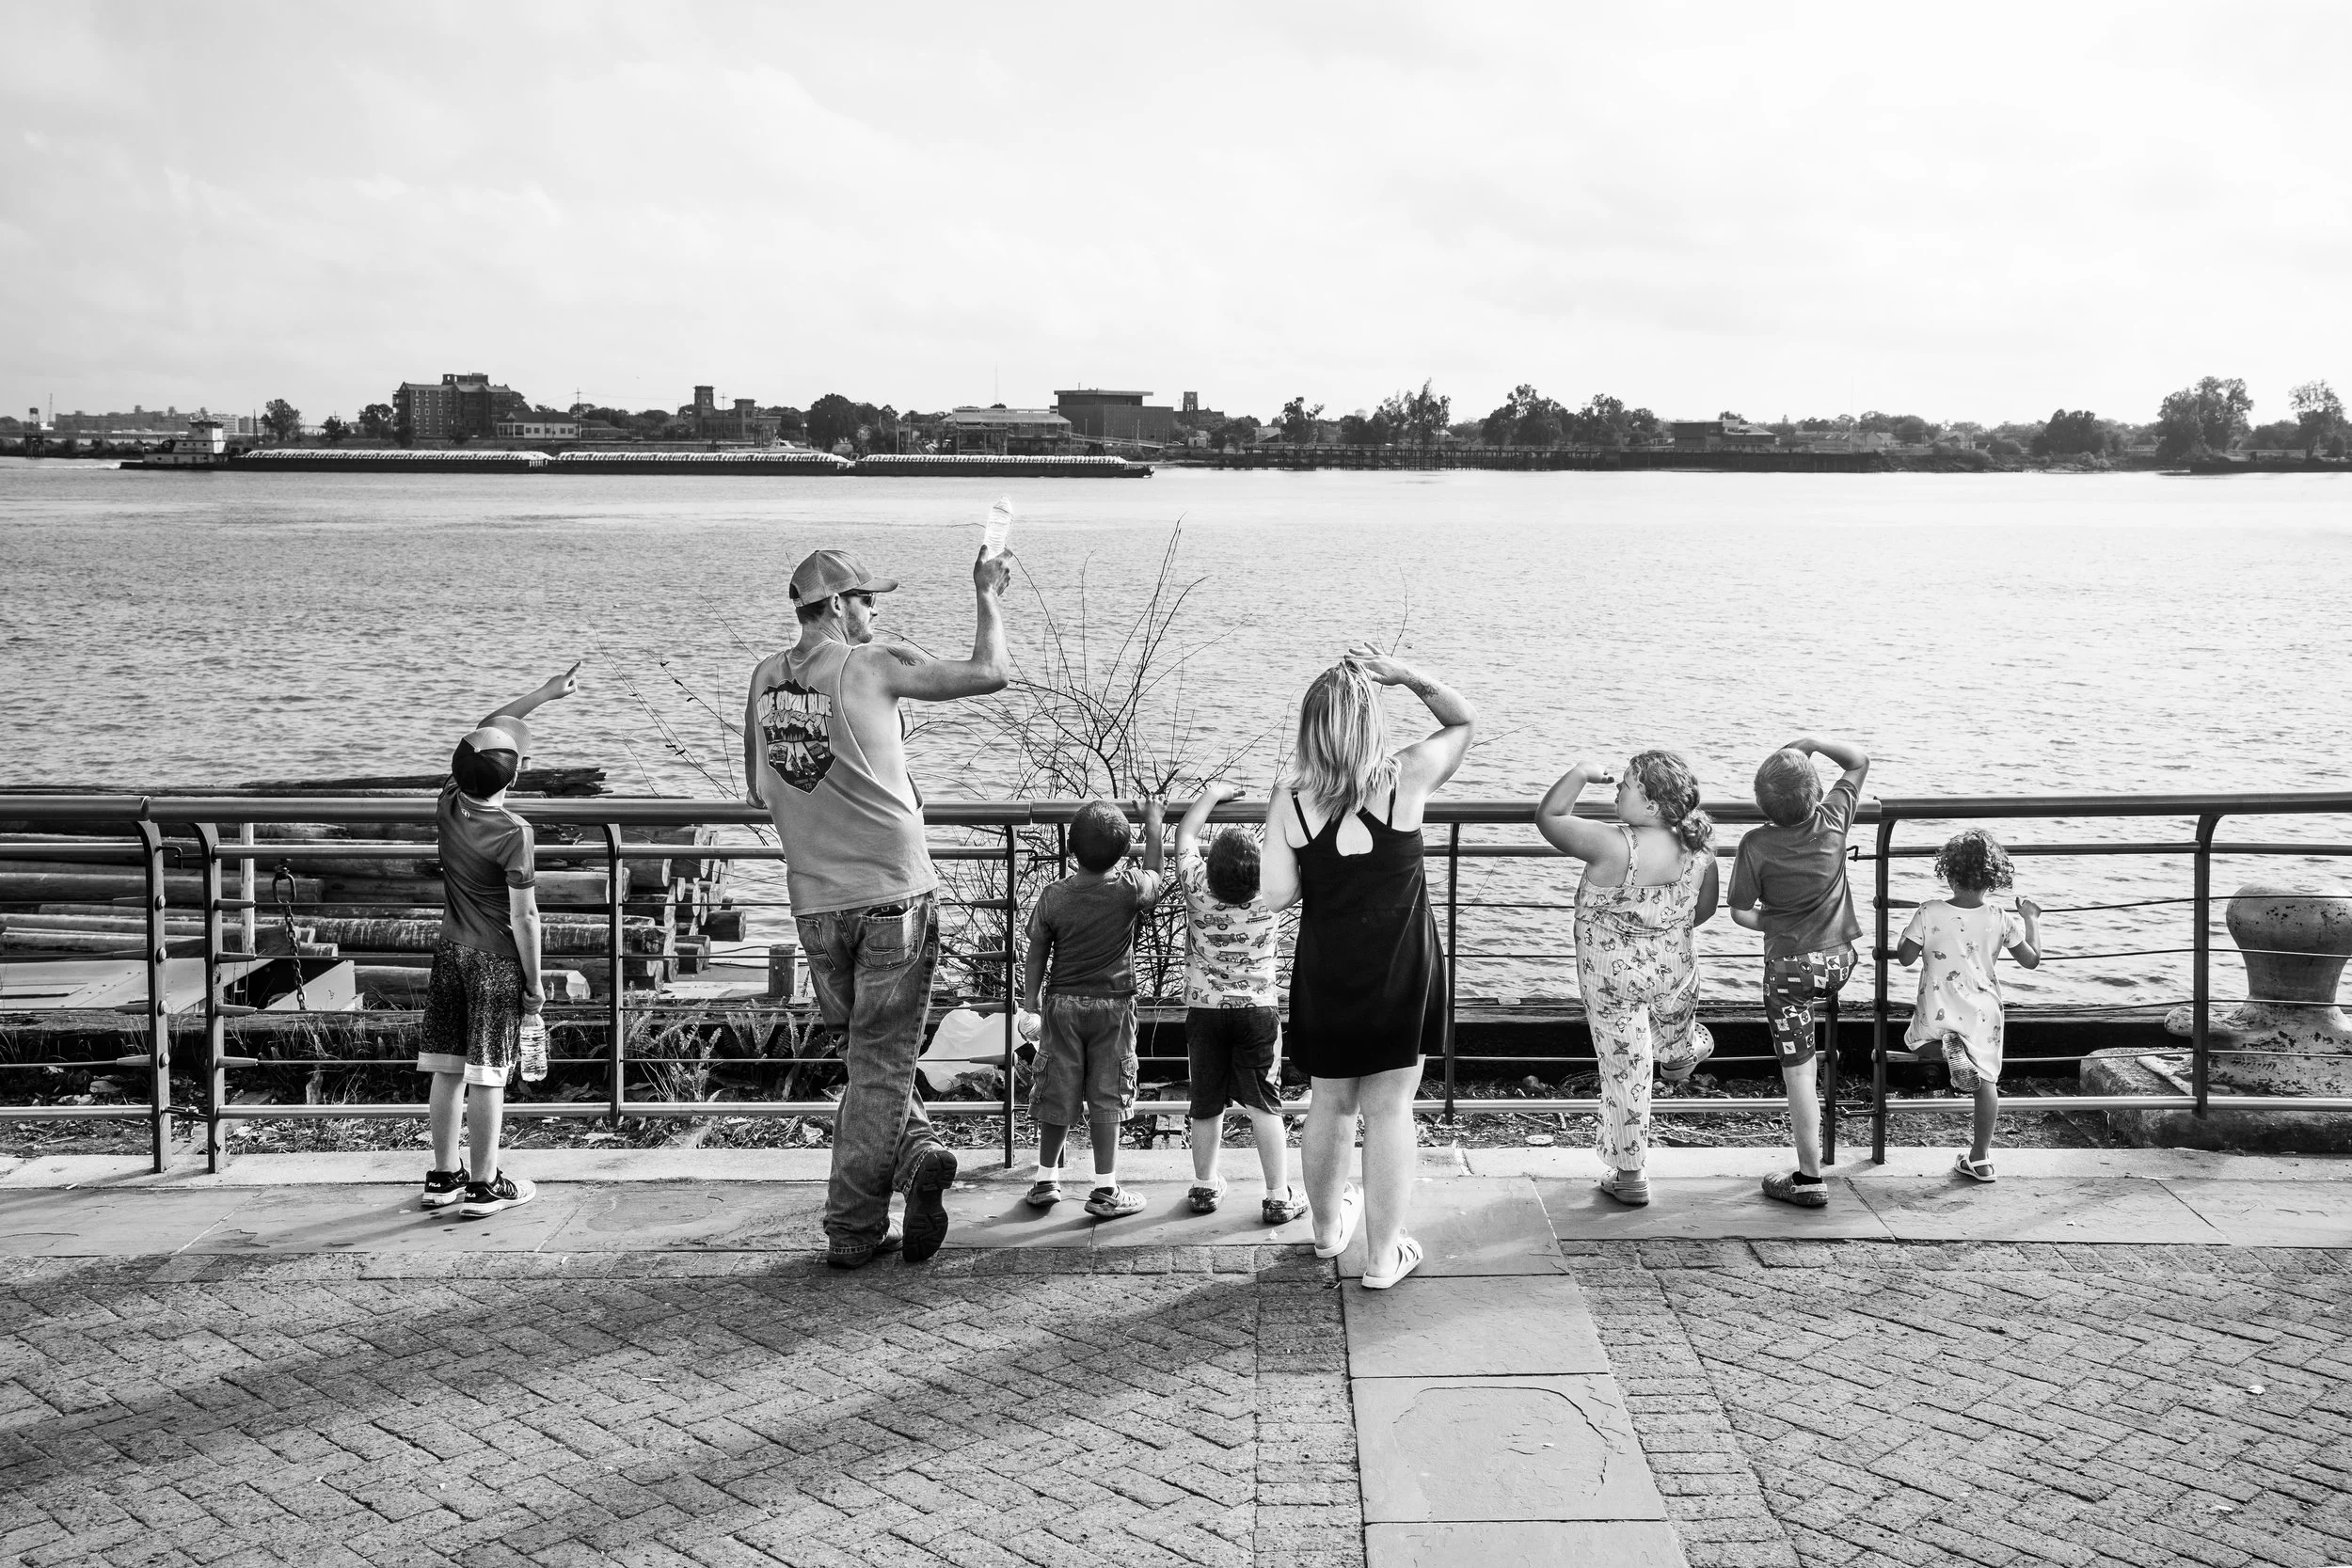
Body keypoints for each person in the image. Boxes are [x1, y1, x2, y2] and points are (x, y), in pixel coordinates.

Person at [744, 546, 1011, 1268]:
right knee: (885, 1066)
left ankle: (918, 1154)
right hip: (893, 893)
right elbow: (990, 672)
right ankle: (853, 1227)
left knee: (870, 1060)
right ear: (835, 605)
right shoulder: (868, 665)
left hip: (814, 901)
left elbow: (759, 788)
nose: (875, 610)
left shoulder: (764, 679)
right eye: (866, 598)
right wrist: (986, 590)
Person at [1261, 646, 1473, 1290]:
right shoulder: (1406, 776)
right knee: (1390, 1108)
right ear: (1368, 721)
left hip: (1327, 968)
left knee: (1329, 1101)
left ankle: (1328, 1231)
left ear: (1311, 726)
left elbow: (1275, 894)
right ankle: (1383, 1257)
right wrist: (1407, 673)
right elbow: (1462, 722)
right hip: (1400, 967)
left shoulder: (1291, 799)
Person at [417, 664, 577, 1219]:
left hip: (449, 951)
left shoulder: (447, 803)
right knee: (488, 1073)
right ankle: (485, 1185)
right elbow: (526, 916)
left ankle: (443, 1176)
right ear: (513, 779)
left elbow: (487, 729)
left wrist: (542, 695)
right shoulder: (514, 832)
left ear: (459, 771)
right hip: (495, 962)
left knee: (447, 1066)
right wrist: (533, 985)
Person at [1535, 750, 1720, 1207]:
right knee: (1676, 1039)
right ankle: (1682, 1054)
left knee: (1626, 1070)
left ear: (1652, 805)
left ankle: (1631, 1174)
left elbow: (1549, 816)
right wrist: (1657, 928)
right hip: (1674, 968)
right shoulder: (1699, 852)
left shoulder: (1611, 844)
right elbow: (1705, 911)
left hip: (1611, 977)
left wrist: (1581, 772)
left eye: (1627, 784)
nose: (1618, 787)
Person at [1728, 734, 1869, 1208]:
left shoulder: (1755, 843)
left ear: (1759, 802)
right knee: (1815, 1034)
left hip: (1789, 973)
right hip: (1838, 962)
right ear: (1815, 794)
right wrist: (1809, 742)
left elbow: (1740, 911)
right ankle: (1819, 1166)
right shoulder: (1833, 819)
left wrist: (1776, 921)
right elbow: (1857, 760)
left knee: (1800, 1075)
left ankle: (1809, 1179)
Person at [1019, 797, 1165, 1218]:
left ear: (1070, 849)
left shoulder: (1053, 896)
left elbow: (1036, 954)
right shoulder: (1128, 889)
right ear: (1123, 854)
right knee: (1107, 1093)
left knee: (1057, 1088)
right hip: (1115, 1009)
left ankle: (1046, 1179)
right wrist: (1153, 823)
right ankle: (1105, 1189)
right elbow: (1155, 872)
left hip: (1061, 1006)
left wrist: (1031, 1003)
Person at [1171, 781, 1305, 1223]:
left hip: (1205, 1012)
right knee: (1264, 1102)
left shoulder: (1197, 887)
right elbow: (1292, 853)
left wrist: (1212, 795)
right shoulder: (1273, 896)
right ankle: (1277, 1195)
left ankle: (1206, 1186)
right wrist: (1277, 802)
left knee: (1205, 1101)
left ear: (1210, 871)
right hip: (1258, 1012)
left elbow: (1185, 836)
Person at [1895, 830, 2042, 1182]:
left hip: (1939, 1004)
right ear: (1994, 877)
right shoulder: (1999, 915)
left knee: (1915, 1043)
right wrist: (2031, 918)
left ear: (1948, 872)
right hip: (1983, 1011)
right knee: (1986, 1079)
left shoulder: (1930, 911)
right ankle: (1980, 1159)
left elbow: (1904, 956)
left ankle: (1948, 1050)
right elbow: (2031, 960)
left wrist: (1910, 934)